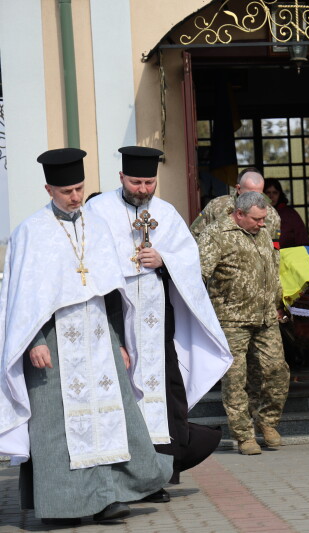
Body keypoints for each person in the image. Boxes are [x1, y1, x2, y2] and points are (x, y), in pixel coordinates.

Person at [0, 148, 172, 525]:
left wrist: (121, 341)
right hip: (52, 340)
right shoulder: (32, 231)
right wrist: (34, 342)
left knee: (110, 416)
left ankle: (108, 497)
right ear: (49, 189)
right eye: (67, 191)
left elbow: (111, 288)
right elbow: (22, 299)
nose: (76, 197)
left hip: (98, 336)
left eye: (79, 188)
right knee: (56, 426)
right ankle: (64, 506)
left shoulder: (96, 225)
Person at [84, 146, 233, 484]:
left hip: (157, 325)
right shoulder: (99, 209)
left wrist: (164, 259)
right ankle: (123, 477)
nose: (143, 189)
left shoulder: (165, 212)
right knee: (120, 399)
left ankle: (164, 473)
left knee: (166, 396)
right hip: (115, 317)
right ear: (121, 177)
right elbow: (90, 264)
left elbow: (189, 260)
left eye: (149, 182)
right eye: (136, 181)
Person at [198, 192, 290, 455]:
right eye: (256, 219)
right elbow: (200, 275)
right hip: (231, 320)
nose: (262, 224)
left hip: (265, 318)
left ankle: (267, 421)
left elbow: (272, 270)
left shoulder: (261, 232)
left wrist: (278, 303)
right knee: (235, 380)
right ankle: (243, 435)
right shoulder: (215, 234)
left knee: (277, 371)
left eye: (264, 219)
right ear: (239, 214)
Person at [190, 167, 281, 251]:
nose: (254, 199)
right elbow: (195, 236)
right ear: (238, 188)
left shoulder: (271, 215)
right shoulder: (217, 206)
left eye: (258, 194)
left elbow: (273, 251)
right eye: (249, 194)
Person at [265, 178, 309, 248]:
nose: (271, 196)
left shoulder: (290, 215)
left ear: (280, 194)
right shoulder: (255, 214)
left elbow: (302, 239)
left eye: (275, 193)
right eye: (268, 193)